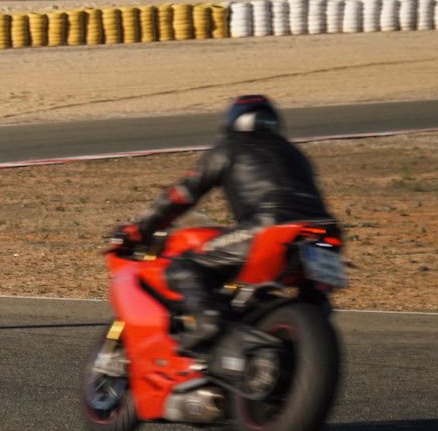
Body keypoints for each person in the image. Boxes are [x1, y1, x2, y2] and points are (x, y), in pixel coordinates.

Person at [110, 95, 337, 351]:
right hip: (324, 231)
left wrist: (140, 229)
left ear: (233, 121)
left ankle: (207, 320)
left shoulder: (231, 147)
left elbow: (183, 193)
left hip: (270, 225)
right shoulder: (296, 154)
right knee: (310, 296)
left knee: (185, 265)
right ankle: (298, 334)